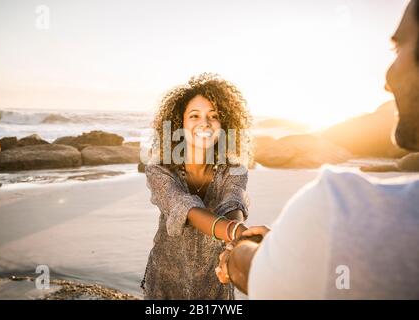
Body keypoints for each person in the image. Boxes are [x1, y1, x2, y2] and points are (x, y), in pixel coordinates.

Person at [216, 1, 419, 299]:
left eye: (398, 48)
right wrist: (293, 250)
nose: (387, 80)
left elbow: (262, 276)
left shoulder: (339, 211)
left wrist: (239, 256)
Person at [141, 73, 253, 299]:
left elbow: (233, 204)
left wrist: (237, 242)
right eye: (194, 116)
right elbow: (187, 210)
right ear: (178, 123)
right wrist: (236, 233)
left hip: (215, 285)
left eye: (214, 116)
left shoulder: (234, 169)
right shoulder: (159, 170)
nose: (205, 123)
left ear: (224, 124)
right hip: (166, 284)